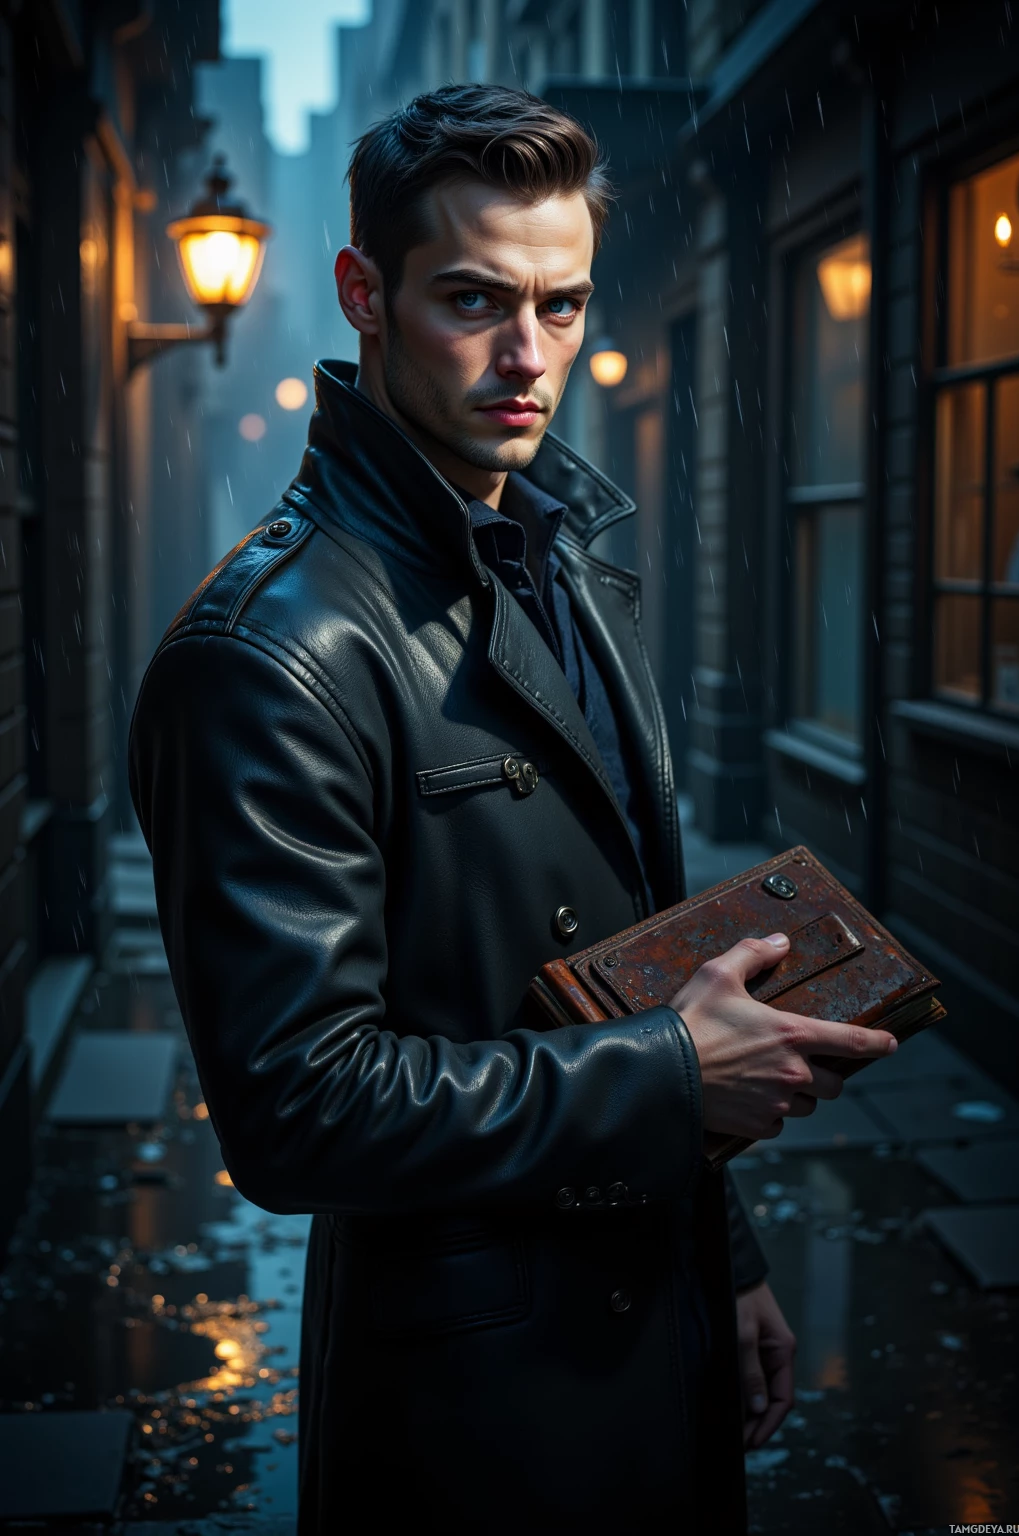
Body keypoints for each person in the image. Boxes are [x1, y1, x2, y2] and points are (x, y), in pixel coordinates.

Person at [128, 83, 897, 1533]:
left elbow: (634, 968)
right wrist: (674, 1079)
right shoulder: (267, 655)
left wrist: (722, 1252)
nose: (529, 357)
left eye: (563, 305)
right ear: (365, 293)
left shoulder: (565, 562)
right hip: (477, 1396)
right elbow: (294, 1111)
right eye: (475, 300)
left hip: (651, 1309)